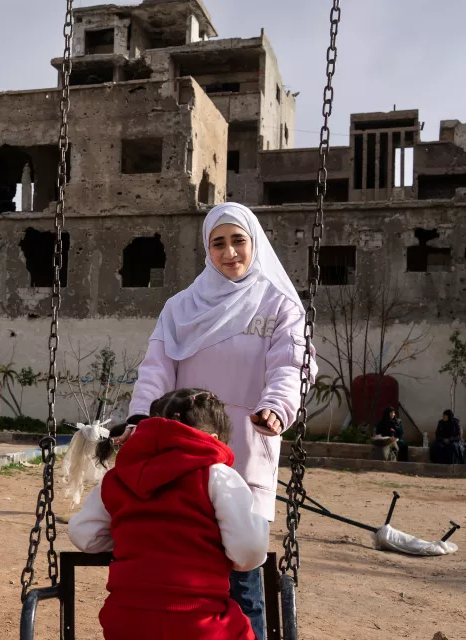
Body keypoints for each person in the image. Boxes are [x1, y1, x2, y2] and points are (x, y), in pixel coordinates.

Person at [124, 202, 314, 639]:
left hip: (247, 449)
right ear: (207, 249)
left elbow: (292, 365)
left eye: (238, 241)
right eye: (218, 243)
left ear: (254, 243)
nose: (229, 252)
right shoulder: (180, 307)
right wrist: (138, 419)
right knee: (183, 579)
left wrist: (278, 406)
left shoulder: (278, 303)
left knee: (243, 582)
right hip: (184, 455)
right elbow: (156, 368)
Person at [68, 388, 269, 640]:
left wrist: (130, 539)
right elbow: (248, 551)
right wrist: (255, 528)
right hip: (199, 621)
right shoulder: (217, 475)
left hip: (127, 620)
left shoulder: (116, 478)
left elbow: (84, 535)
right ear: (215, 439)